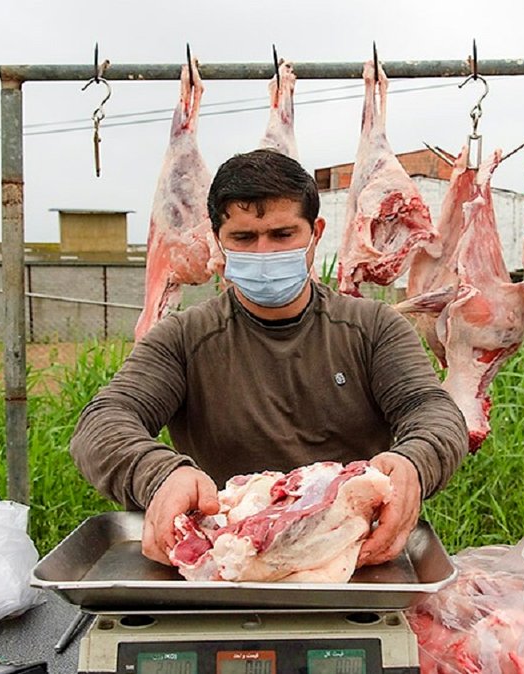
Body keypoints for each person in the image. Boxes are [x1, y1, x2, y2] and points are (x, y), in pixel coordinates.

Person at [69, 149, 469, 569]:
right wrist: (160, 474)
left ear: (315, 233)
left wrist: (414, 463)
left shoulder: (373, 327)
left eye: (282, 235)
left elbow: (432, 410)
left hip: (349, 555)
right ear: (218, 239)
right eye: (244, 238)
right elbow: (103, 422)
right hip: (228, 556)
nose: (263, 253)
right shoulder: (184, 337)